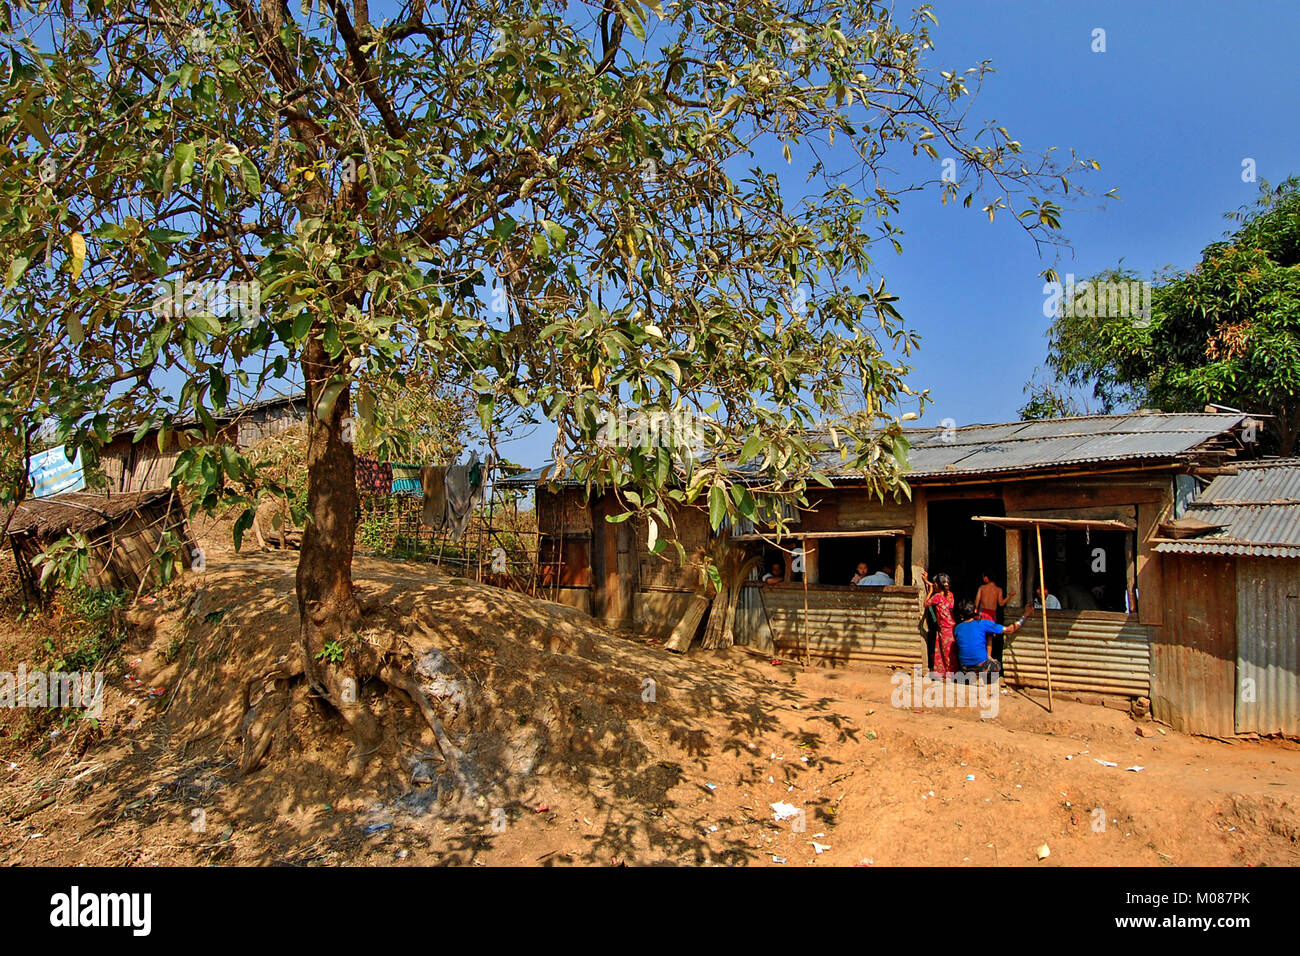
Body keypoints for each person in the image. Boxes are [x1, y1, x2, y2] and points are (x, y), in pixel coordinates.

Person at [953, 599, 1024, 683]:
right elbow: (1010, 630)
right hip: (980, 666)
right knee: (997, 665)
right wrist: (1025, 615)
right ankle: (983, 676)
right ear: (975, 610)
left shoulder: (957, 628)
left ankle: (973, 676)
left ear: (961, 614)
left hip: (964, 669)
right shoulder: (983, 623)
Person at [921, 570, 957, 678]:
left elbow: (925, 604)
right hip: (951, 627)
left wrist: (930, 590)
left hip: (944, 628)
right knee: (951, 651)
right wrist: (927, 582)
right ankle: (952, 673)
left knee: (946, 653)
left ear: (937, 585)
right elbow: (939, 587)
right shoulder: (950, 595)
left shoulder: (937, 597)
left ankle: (949, 675)